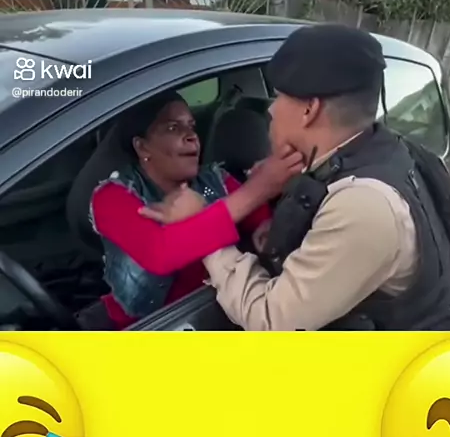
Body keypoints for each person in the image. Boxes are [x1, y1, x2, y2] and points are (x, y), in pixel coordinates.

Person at [147, 25, 450, 331]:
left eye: (280, 97)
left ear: (309, 109)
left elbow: (271, 320)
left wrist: (205, 231)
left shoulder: (364, 205)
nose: (271, 109)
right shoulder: (390, 151)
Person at [88, 91, 303, 329]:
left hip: (210, 310)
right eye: (173, 128)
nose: (191, 136)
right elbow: (160, 253)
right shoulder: (113, 196)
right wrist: (259, 188)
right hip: (144, 326)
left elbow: (263, 225)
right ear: (142, 147)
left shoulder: (215, 180)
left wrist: (265, 232)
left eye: (191, 126)